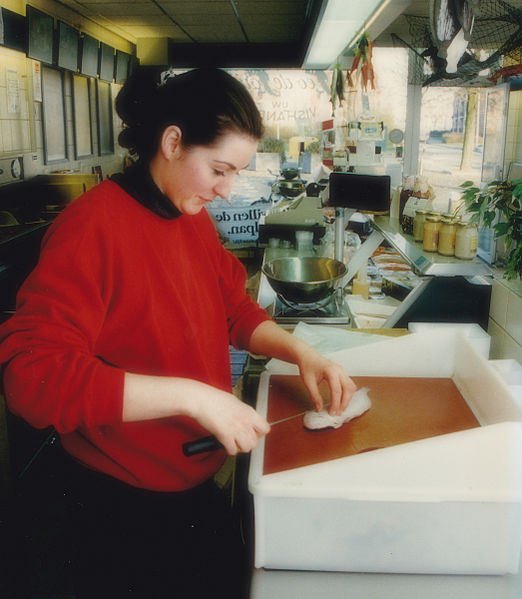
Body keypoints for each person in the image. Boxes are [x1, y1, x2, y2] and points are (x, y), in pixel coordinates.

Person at [0, 67, 356, 597]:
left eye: (235, 173)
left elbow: (231, 308)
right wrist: (192, 397)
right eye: (219, 169)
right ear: (172, 142)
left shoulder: (189, 217)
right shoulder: (91, 227)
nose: (227, 190)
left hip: (188, 483)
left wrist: (297, 351)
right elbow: (32, 378)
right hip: (114, 506)